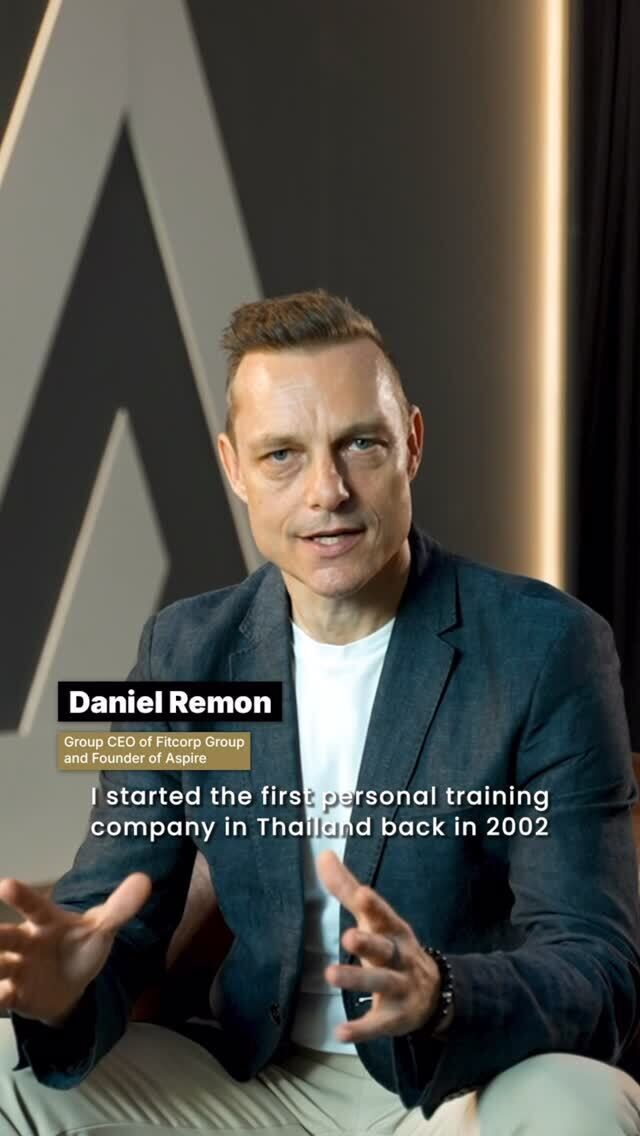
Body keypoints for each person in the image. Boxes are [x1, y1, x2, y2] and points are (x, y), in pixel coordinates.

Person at [1, 289, 639, 1135]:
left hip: (455, 1084)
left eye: (360, 444)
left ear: (412, 443)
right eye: (282, 456)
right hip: (250, 1087)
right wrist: (61, 992)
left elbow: (595, 966)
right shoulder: (181, 653)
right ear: (234, 468)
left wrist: (444, 992)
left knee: (581, 1103)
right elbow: (111, 911)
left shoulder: (546, 648)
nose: (327, 491)